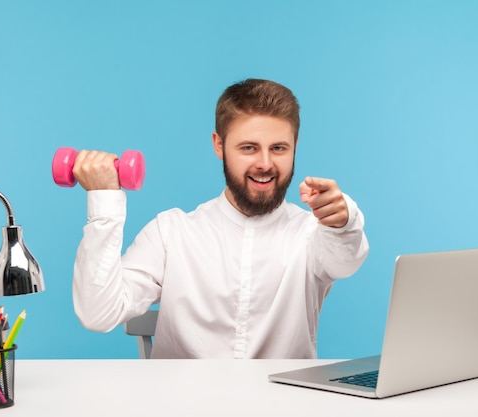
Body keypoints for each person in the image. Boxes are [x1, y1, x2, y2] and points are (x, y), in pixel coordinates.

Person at [72, 78, 369, 359]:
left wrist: (343, 220)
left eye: (278, 148)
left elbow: (345, 258)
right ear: (219, 145)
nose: (265, 164)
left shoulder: (312, 234)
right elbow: (98, 313)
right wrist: (105, 202)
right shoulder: (171, 233)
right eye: (249, 148)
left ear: (295, 146)